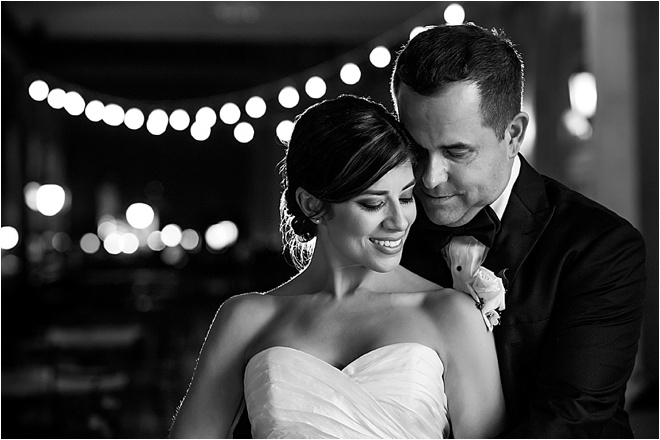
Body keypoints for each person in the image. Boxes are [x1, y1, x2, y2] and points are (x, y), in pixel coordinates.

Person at [169, 94, 505, 438]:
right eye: (374, 203)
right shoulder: (246, 319)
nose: (398, 221)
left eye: (405, 197)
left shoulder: (450, 314)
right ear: (312, 204)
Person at [390, 23, 647, 438]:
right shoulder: (388, 235)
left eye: (456, 152)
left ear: (513, 134)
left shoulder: (600, 247)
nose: (430, 179)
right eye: (416, 150)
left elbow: (571, 419)